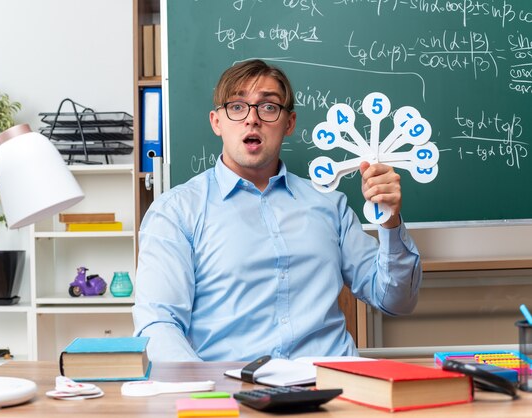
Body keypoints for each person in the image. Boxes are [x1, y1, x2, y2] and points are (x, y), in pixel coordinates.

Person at [132, 59, 422, 362]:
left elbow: (396, 301)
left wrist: (389, 222)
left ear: (290, 123)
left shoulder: (329, 205)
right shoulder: (176, 212)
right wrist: (209, 396)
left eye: (268, 107)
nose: (252, 119)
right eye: (237, 106)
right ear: (216, 122)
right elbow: (159, 324)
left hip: (330, 386)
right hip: (233, 392)